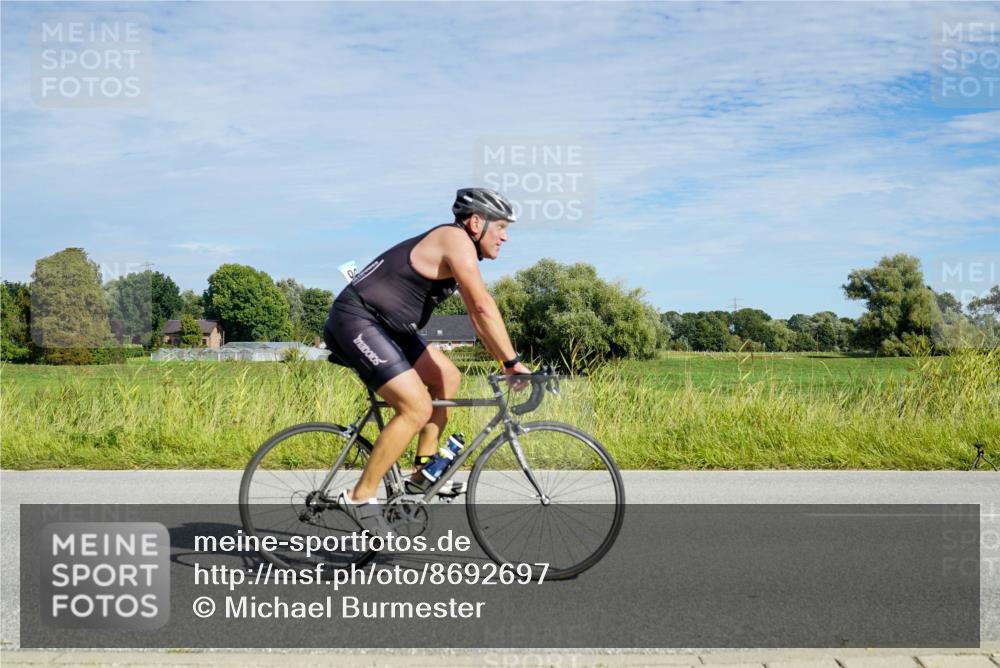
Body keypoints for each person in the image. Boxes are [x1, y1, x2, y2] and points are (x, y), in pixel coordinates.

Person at [324, 187, 532, 534]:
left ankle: (421, 474)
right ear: (476, 222)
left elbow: (478, 316)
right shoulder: (455, 240)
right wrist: (511, 363)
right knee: (416, 407)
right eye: (501, 227)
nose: (506, 237)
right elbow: (480, 307)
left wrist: (505, 362)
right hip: (358, 320)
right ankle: (360, 495)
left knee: (447, 377)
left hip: (390, 327)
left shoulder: (462, 247)